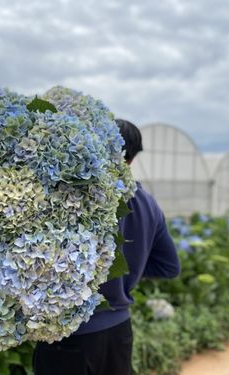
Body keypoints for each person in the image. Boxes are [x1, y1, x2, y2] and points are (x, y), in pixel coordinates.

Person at [33, 119, 181, 375]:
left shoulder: (74, 196)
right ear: (132, 158)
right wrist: (127, 272)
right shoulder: (149, 204)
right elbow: (169, 267)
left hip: (70, 336)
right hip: (119, 333)